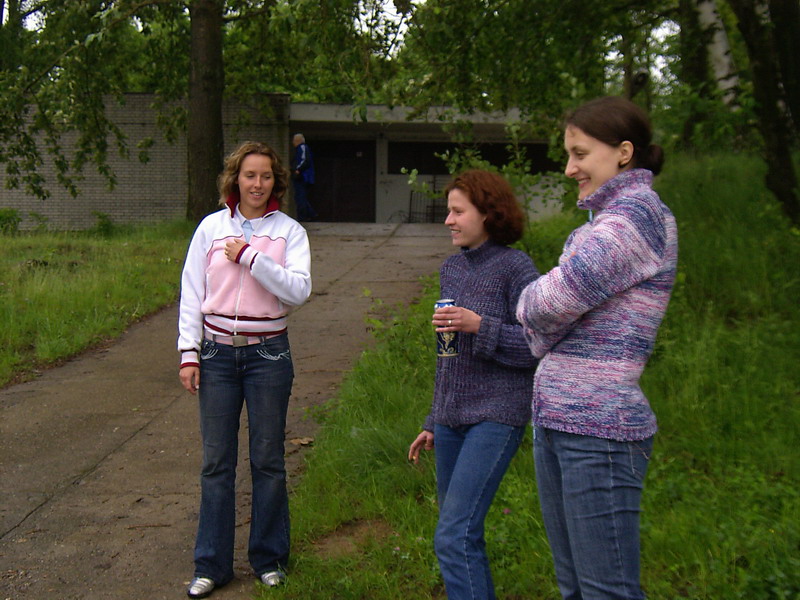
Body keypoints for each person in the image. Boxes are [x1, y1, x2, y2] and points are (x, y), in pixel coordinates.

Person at [516, 96, 678, 600]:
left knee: (605, 592)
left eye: (580, 154)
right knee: (575, 589)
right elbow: (549, 321)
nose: (570, 169)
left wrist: (535, 308)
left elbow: (548, 304)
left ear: (624, 152)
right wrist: (547, 319)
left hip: (599, 431)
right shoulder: (597, 226)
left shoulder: (637, 216)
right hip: (561, 420)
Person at [178, 141, 312, 598]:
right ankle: (211, 565)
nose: (257, 184)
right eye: (250, 175)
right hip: (216, 354)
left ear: (277, 181)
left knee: (268, 460)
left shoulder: (290, 232)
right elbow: (192, 292)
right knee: (216, 463)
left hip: (268, 355)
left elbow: (298, 291)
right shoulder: (211, 228)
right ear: (236, 178)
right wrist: (188, 352)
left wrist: (252, 257)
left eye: (266, 176)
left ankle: (269, 560)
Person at [408, 170, 539, 600]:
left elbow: (537, 344)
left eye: (458, 211)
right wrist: (433, 419)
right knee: (461, 534)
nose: (448, 220)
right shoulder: (452, 267)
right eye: (448, 211)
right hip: (451, 420)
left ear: (487, 212)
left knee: (453, 536)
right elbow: (448, 355)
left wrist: (480, 326)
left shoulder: (516, 268)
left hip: (496, 415)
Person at [291, 133, 317, 221]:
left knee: (300, 196)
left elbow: (305, 160)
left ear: (298, 140)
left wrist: (298, 169)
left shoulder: (302, 147)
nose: (293, 142)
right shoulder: (299, 149)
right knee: (301, 197)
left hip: (303, 177)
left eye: (294, 140)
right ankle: (310, 213)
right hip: (301, 176)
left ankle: (304, 216)